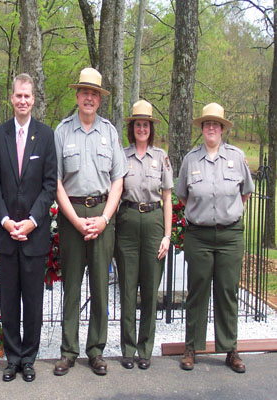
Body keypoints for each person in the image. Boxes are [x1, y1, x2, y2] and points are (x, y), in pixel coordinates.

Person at [53, 67, 127, 377]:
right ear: (77, 95)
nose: (89, 97)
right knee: (71, 287)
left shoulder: (109, 132)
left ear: (99, 99)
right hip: (71, 217)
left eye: (94, 93)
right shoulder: (62, 131)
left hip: (101, 214)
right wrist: (74, 219)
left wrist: (104, 218)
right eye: (84, 92)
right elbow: (55, 182)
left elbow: (118, 181)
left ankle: (96, 350)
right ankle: (68, 351)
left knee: (99, 285)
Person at [0, 73, 57, 382]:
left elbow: (49, 185)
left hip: (34, 234)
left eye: (28, 96)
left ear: (33, 99)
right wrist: (4, 220)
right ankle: (12, 358)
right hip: (6, 232)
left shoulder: (45, 135)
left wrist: (30, 222)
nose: (23, 101)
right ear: (11, 98)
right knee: (9, 300)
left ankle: (29, 357)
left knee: (32, 300)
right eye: (18, 96)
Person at [175, 102, 254, 373]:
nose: (211, 127)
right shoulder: (190, 159)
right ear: (202, 128)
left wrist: (226, 212)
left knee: (228, 291)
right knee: (196, 292)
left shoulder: (237, 157)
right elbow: (183, 195)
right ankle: (191, 348)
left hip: (230, 235)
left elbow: (245, 193)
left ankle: (230, 349)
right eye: (207, 123)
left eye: (216, 124)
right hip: (199, 235)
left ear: (222, 129)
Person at [114, 100, 173, 370]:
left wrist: (167, 236)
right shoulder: (121, 156)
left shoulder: (161, 157)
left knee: (150, 290)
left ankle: (145, 349)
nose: (141, 128)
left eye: (145, 124)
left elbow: (168, 198)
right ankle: (128, 349)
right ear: (132, 128)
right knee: (127, 289)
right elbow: (114, 192)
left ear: (151, 128)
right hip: (126, 223)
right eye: (137, 124)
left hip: (152, 223)